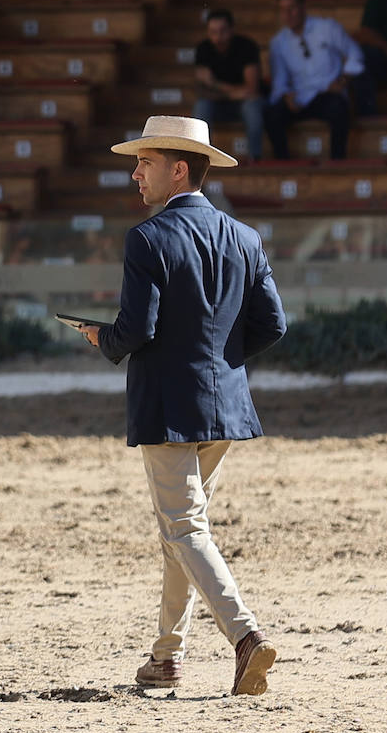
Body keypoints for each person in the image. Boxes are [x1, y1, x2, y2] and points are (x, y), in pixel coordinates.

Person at [79, 115, 286, 697]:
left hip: (169, 406)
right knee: (182, 529)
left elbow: (136, 329)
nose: (135, 172)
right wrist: (216, 359)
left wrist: (104, 340)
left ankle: (245, 637)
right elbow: (273, 324)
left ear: (178, 169)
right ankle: (167, 657)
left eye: (144, 162)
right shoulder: (246, 237)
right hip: (224, 405)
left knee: (185, 528)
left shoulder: (146, 238)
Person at [264, 0, 368, 160]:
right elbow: (280, 81)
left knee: (339, 109)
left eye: (292, 8)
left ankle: (337, 163)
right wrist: (286, 96)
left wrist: (343, 80)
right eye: (283, 10)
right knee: (272, 115)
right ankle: (283, 165)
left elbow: (355, 53)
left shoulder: (327, 27)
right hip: (300, 97)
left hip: (327, 93)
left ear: (303, 7)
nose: (288, 14)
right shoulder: (278, 42)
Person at [192, 10, 266, 161]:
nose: (218, 37)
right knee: (202, 106)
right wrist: (233, 93)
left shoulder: (247, 46)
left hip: (244, 104)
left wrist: (215, 84)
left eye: (222, 31)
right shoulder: (203, 48)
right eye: (213, 32)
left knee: (252, 108)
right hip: (218, 104)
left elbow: (252, 90)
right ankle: (199, 160)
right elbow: (200, 90)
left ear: (232, 30)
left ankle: (255, 159)